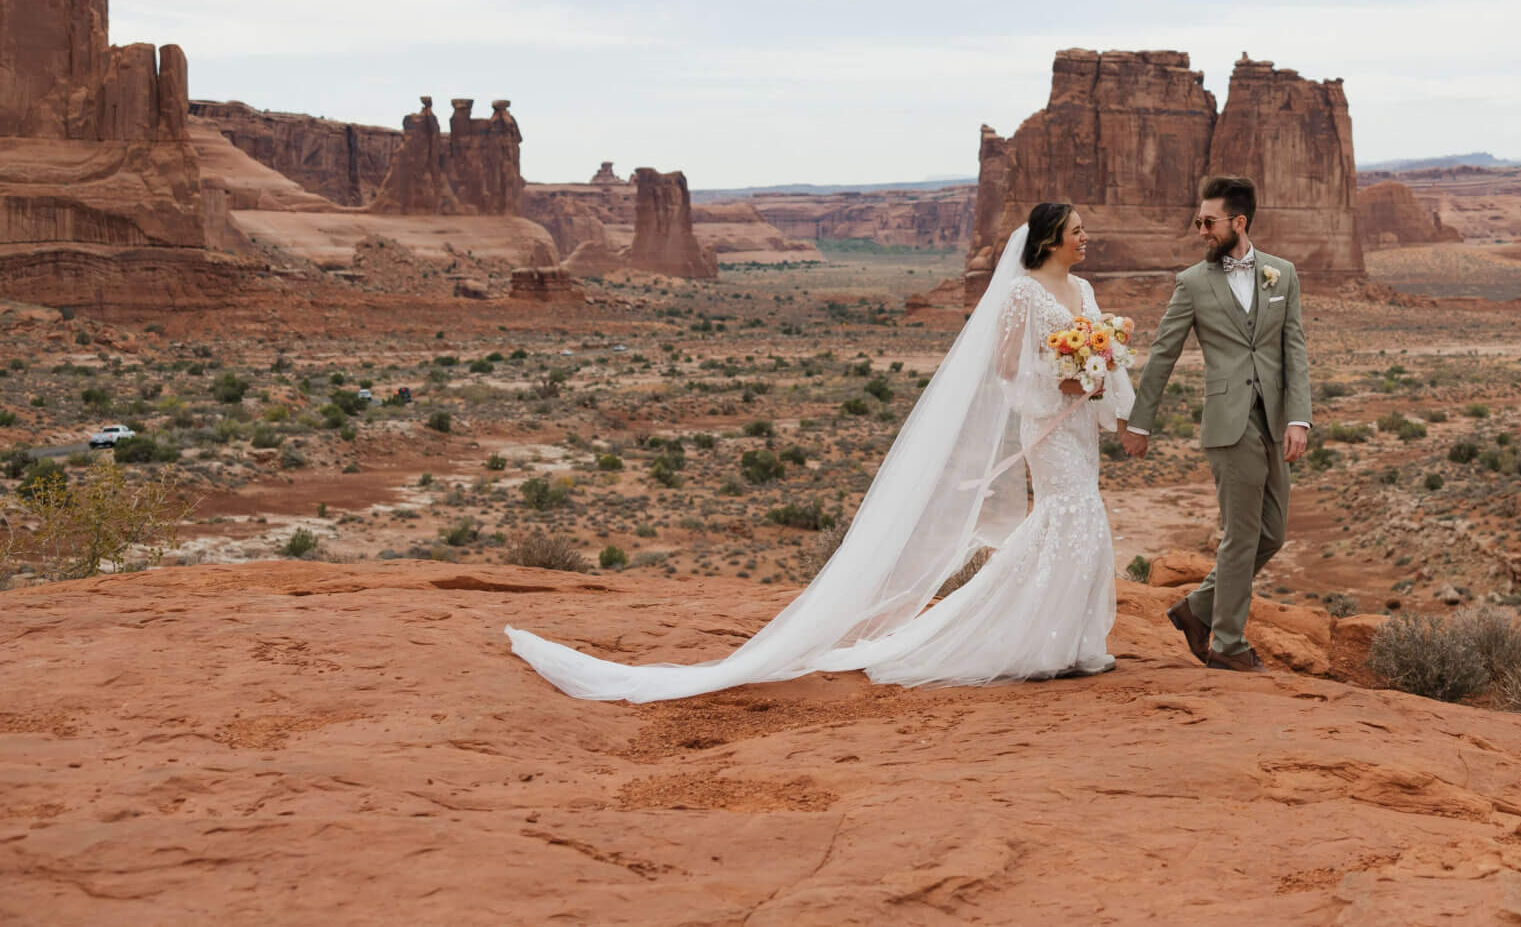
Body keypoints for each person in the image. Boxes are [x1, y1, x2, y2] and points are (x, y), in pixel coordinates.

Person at [505, 203, 1134, 700]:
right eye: (1078, 231)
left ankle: (1071, 643)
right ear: (1051, 237)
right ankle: (1042, 644)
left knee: (1077, 517)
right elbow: (1003, 367)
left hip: (1079, 423)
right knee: (1073, 515)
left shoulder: (1084, 288)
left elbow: (1101, 349)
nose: (1087, 239)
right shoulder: (1022, 292)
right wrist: (1060, 378)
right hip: (1048, 423)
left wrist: (1101, 378)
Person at [1120, 174, 1312, 673]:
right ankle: (1227, 644)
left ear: (1238, 222)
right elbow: (1163, 353)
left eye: (1209, 222)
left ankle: (1197, 608)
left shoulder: (1281, 274)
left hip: (1274, 421)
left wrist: (1299, 418)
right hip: (1228, 423)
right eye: (1198, 221)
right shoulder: (1192, 283)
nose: (1200, 229)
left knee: (1272, 535)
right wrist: (1140, 423)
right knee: (1242, 534)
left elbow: (1294, 349)